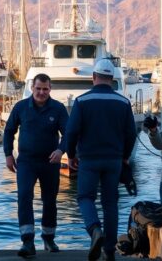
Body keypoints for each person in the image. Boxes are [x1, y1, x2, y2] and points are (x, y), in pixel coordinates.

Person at [66, 59, 136, 261]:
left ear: (93, 77)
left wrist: (71, 155)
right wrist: (124, 157)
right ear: (112, 79)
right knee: (110, 203)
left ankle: (94, 229)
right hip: (113, 160)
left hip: (88, 159)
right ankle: (109, 251)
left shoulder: (82, 101)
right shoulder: (123, 102)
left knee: (85, 198)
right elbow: (130, 133)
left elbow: (71, 132)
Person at [3, 73, 69, 259]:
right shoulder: (21, 107)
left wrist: (60, 151)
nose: (41, 92)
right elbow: (8, 132)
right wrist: (8, 154)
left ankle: (48, 238)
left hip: (50, 163)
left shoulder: (58, 108)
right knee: (24, 197)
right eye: (38, 88)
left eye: (45, 89)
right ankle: (28, 241)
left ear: (50, 89)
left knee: (50, 201)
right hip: (26, 162)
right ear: (32, 88)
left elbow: (68, 134)